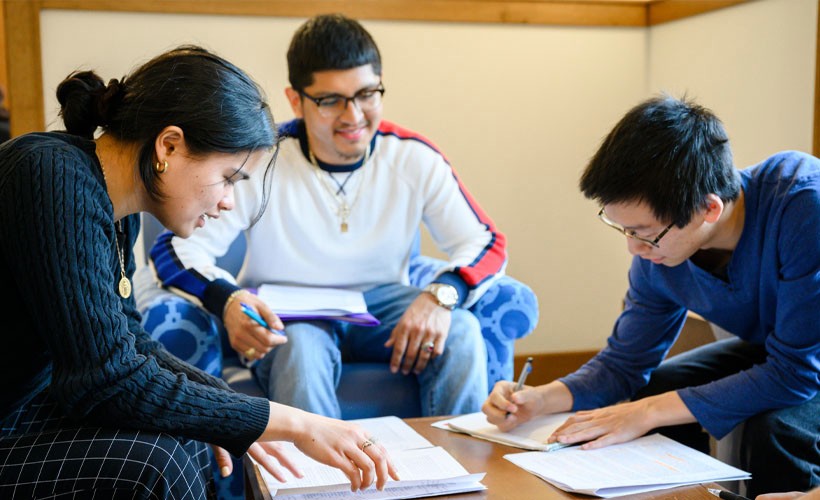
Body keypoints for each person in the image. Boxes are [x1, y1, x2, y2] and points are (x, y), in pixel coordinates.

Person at [0, 45, 396, 499]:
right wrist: (288, 422)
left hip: (21, 410)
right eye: (228, 177)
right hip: (14, 419)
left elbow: (132, 344)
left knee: (188, 441)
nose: (228, 202)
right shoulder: (50, 174)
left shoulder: (117, 207)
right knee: (158, 462)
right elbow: (104, 379)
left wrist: (233, 416)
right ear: (168, 146)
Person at [148, 14, 505, 419]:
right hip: (290, 313)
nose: (353, 116)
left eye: (367, 93)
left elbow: (487, 242)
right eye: (331, 100)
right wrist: (228, 300)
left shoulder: (412, 156)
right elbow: (174, 251)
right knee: (299, 348)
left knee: (461, 331)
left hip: (382, 307)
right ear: (296, 100)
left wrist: (442, 295)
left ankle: (454, 477)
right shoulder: (263, 160)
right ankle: (317, 482)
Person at [482, 95, 819, 496]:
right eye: (623, 229)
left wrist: (644, 413)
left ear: (708, 209)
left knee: (774, 427)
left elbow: (796, 372)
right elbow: (625, 363)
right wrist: (539, 399)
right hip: (779, 352)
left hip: (804, 360)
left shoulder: (803, 205)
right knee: (651, 389)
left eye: (643, 232)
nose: (633, 249)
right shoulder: (659, 250)